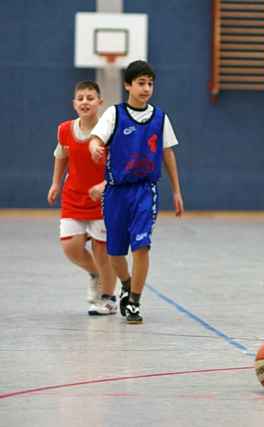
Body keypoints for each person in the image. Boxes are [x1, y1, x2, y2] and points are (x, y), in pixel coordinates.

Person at [88, 60, 184, 324]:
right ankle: (127, 284)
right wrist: (95, 146)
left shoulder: (160, 117)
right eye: (141, 83)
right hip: (116, 192)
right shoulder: (114, 114)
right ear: (128, 85)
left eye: (150, 83)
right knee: (116, 253)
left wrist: (176, 190)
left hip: (144, 190)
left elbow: (167, 153)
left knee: (141, 246)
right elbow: (96, 138)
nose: (146, 88)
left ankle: (135, 302)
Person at [47, 81, 118, 315]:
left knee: (102, 251)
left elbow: (120, 166)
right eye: (80, 98)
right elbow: (61, 155)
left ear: (100, 102)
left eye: (90, 97)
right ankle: (95, 274)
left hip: (103, 199)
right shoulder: (65, 129)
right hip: (73, 196)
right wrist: (56, 183)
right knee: (71, 247)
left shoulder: (109, 132)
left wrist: (105, 184)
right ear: (74, 103)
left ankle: (108, 298)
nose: (85, 102)